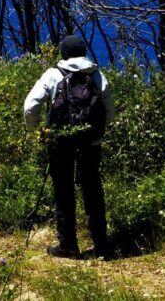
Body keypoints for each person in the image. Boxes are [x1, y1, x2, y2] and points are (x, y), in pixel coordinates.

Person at [24, 35, 116, 258]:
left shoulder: (53, 75)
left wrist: (38, 132)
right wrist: (97, 132)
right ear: (83, 52)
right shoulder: (96, 76)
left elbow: (30, 107)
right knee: (93, 191)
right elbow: (110, 111)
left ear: (63, 54)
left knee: (63, 192)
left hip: (60, 142)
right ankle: (101, 245)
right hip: (90, 143)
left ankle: (68, 245)